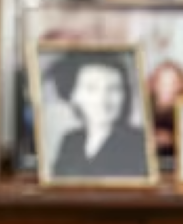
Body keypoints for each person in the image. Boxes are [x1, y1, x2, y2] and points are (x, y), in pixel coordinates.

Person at [47, 51, 150, 179]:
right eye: (91, 89)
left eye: (114, 88)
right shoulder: (70, 142)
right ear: (73, 95)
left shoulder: (140, 142)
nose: (103, 99)